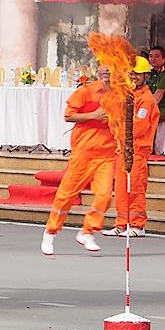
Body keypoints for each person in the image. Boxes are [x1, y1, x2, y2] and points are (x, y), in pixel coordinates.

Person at [41, 64, 115, 256]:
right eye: (104, 67)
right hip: (83, 152)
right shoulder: (86, 91)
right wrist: (93, 116)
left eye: (111, 67)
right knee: (66, 194)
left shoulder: (121, 94)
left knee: (105, 196)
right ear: (98, 70)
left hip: (106, 154)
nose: (107, 71)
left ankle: (87, 231)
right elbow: (68, 115)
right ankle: (50, 231)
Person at [103, 57, 159, 238]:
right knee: (120, 189)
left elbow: (139, 127)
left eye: (137, 74)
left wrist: (119, 129)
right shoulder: (128, 96)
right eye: (131, 73)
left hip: (137, 151)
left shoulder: (147, 100)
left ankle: (137, 225)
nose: (133, 76)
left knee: (135, 188)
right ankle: (121, 223)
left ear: (145, 76)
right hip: (122, 149)